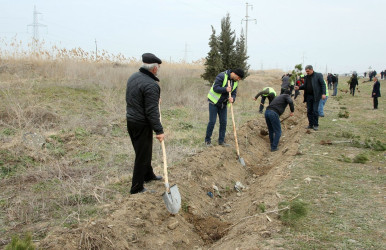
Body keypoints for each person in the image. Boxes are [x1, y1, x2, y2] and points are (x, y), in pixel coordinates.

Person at [126, 53, 164, 194]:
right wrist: (159, 131)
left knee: (144, 151)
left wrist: (153, 99)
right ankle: (137, 187)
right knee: (142, 154)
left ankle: (148, 175)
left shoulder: (133, 77)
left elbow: (136, 98)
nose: (158, 69)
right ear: (154, 69)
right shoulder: (151, 85)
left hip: (131, 120)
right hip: (142, 123)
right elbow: (151, 112)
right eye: (158, 67)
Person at [205, 69, 244, 146]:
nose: (238, 79)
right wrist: (225, 89)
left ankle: (221, 141)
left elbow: (234, 93)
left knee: (223, 122)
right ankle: (207, 141)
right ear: (234, 73)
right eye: (238, 77)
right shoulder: (222, 76)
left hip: (223, 104)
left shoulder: (235, 82)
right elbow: (215, 88)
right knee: (212, 122)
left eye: (240, 79)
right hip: (214, 102)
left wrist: (232, 98)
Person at [295, 65, 326, 131]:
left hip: (316, 96)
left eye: (308, 71)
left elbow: (323, 85)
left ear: (312, 69)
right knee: (309, 111)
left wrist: (323, 93)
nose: (307, 72)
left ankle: (316, 125)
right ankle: (310, 124)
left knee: (315, 111)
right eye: (306, 71)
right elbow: (305, 86)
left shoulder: (318, 75)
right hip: (308, 96)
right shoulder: (306, 77)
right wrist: (299, 87)